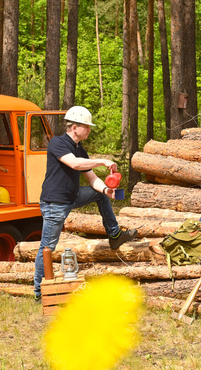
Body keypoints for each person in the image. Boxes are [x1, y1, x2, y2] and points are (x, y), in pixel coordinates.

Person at [33, 106, 137, 301]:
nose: (89, 130)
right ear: (74, 127)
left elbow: (91, 179)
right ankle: (39, 292)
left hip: (72, 196)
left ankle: (114, 235)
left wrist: (106, 190)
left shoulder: (80, 149)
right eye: (86, 126)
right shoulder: (57, 143)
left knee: (100, 195)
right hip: (54, 203)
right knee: (48, 247)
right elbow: (75, 164)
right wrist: (102, 161)